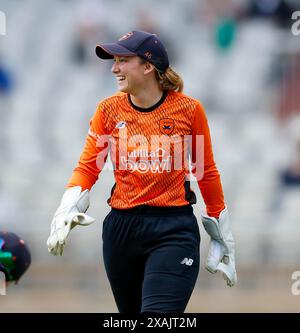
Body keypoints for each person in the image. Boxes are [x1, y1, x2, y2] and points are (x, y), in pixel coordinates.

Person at [47, 30, 237, 313]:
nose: (114, 68)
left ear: (148, 66)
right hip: (121, 232)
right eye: (114, 61)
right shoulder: (108, 111)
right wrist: (65, 207)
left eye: (123, 60)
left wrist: (222, 234)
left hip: (173, 231)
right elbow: (89, 167)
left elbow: (205, 171)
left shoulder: (189, 110)